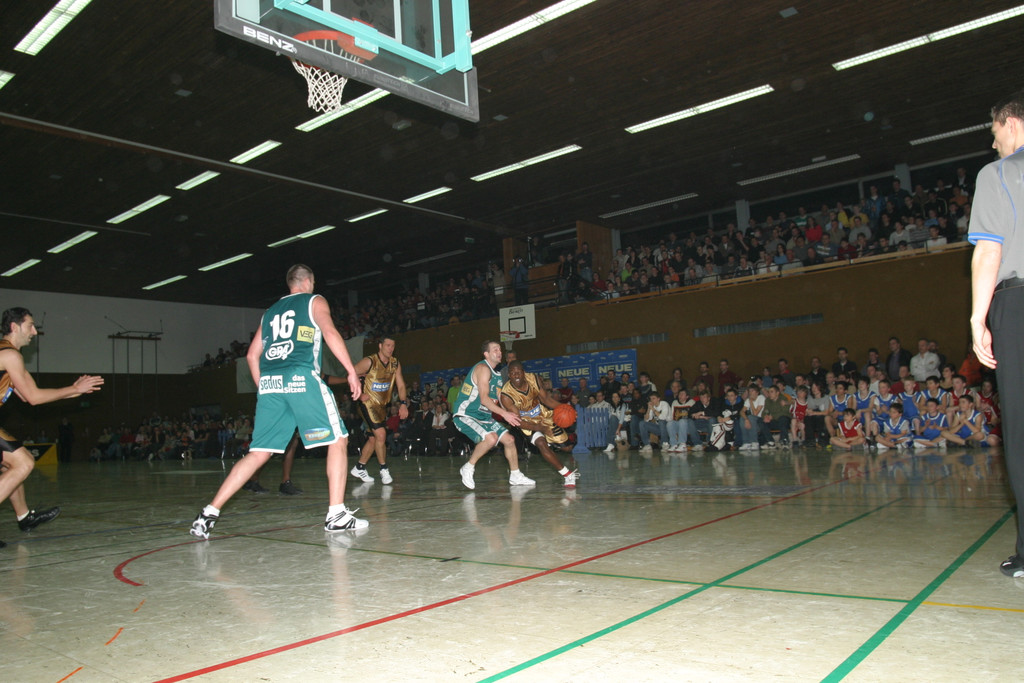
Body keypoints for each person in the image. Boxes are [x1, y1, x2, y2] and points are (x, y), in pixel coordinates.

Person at [190, 264, 366, 539]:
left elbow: (252, 356)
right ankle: (336, 515)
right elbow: (330, 332)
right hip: (300, 376)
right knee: (338, 440)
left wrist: (264, 388)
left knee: (259, 452)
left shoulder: (270, 312)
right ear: (308, 281)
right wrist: (351, 372)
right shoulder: (314, 301)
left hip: (271, 383)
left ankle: (208, 513)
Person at [0, 307, 103, 548]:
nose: (34, 332)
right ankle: (24, 517)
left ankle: (24, 517)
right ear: (14, 327)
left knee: (12, 464)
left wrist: (75, 391)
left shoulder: (8, 355)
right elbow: (34, 398)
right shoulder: (10, 356)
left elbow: (29, 396)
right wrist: (74, 389)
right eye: (30, 325)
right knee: (23, 463)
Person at [455, 340, 534, 490]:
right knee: (491, 439)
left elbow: (502, 402)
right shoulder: (483, 368)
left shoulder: (498, 376)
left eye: (500, 350)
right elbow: (484, 399)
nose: (499, 352)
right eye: (495, 350)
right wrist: (505, 415)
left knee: (509, 440)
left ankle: (515, 475)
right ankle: (468, 467)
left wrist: (516, 415)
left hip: (484, 417)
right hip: (466, 415)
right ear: (486, 354)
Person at [499, 361, 579, 487]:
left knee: (567, 448)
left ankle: (556, 441)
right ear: (509, 375)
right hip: (526, 423)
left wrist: (568, 410)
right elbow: (518, 422)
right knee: (541, 443)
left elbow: (546, 399)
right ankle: (568, 475)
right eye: (513, 373)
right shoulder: (506, 395)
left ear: (524, 372)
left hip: (543, 415)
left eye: (518, 372)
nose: (516, 375)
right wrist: (540, 428)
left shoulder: (534, 379)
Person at [345, 337, 408, 486]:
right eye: (388, 345)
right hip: (367, 404)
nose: (390, 348)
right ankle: (384, 469)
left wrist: (403, 404)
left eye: (393, 346)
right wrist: (359, 395)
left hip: (382, 406)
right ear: (380, 346)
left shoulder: (395, 363)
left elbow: (401, 385)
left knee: (374, 439)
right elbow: (350, 375)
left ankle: (359, 467)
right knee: (381, 434)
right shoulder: (369, 361)